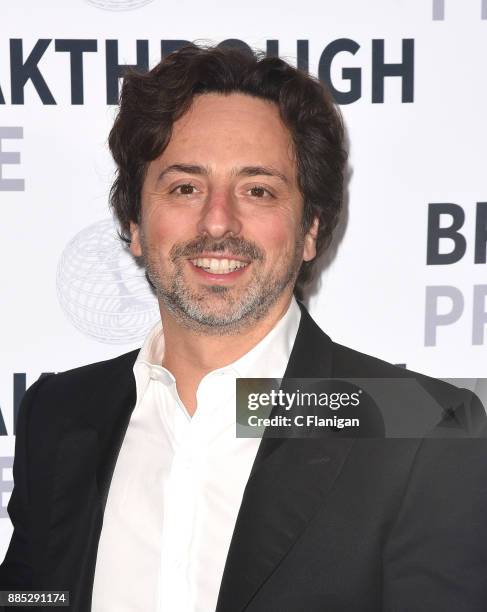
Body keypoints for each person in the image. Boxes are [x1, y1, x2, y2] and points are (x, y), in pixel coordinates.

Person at [1, 44, 486, 612]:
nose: (217, 221)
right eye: (185, 187)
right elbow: (32, 599)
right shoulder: (61, 414)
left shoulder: (422, 428)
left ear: (310, 229)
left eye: (258, 190)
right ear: (134, 223)